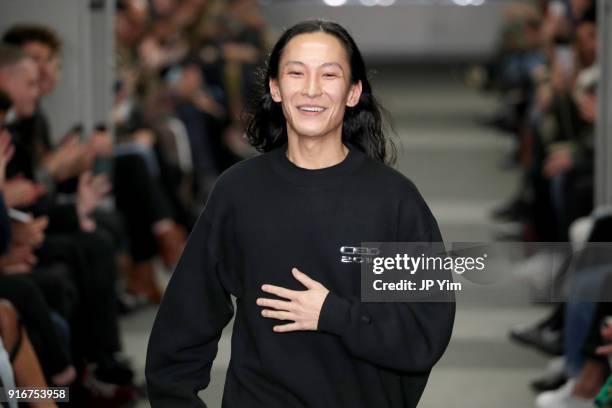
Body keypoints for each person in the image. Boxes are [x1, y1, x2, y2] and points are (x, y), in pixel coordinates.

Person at [146, 20, 455, 408]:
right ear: (275, 88)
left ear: (353, 92)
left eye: (329, 74)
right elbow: (183, 326)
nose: (311, 89)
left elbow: (424, 334)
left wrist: (334, 314)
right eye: (296, 73)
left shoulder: (393, 200)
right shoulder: (239, 193)